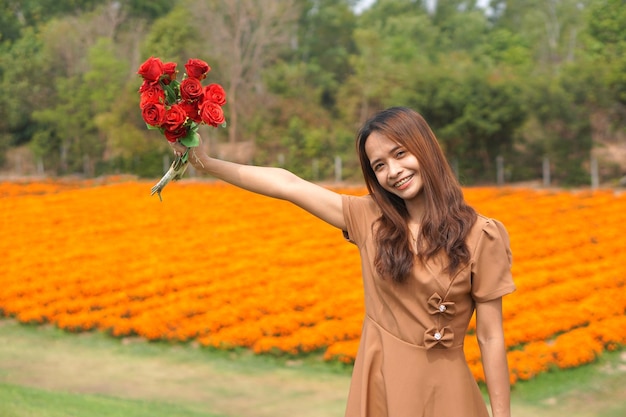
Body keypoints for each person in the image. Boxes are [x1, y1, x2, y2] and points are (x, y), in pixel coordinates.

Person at [170, 106, 515, 417]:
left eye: (400, 154)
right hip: (380, 384)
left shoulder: (481, 235)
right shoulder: (370, 220)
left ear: (424, 148)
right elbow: (289, 184)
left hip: (449, 395)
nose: (393, 171)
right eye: (379, 166)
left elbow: (490, 337)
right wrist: (205, 162)